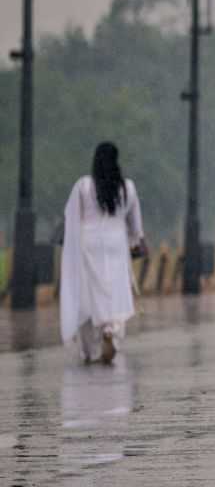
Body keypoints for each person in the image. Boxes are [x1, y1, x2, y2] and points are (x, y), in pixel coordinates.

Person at [60, 143, 145, 364]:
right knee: (114, 291)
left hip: (88, 243)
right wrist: (136, 241)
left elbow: (71, 216)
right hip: (116, 243)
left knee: (89, 295)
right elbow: (136, 226)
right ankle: (111, 330)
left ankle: (91, 349)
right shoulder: (128, 187)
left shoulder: (84, 186)